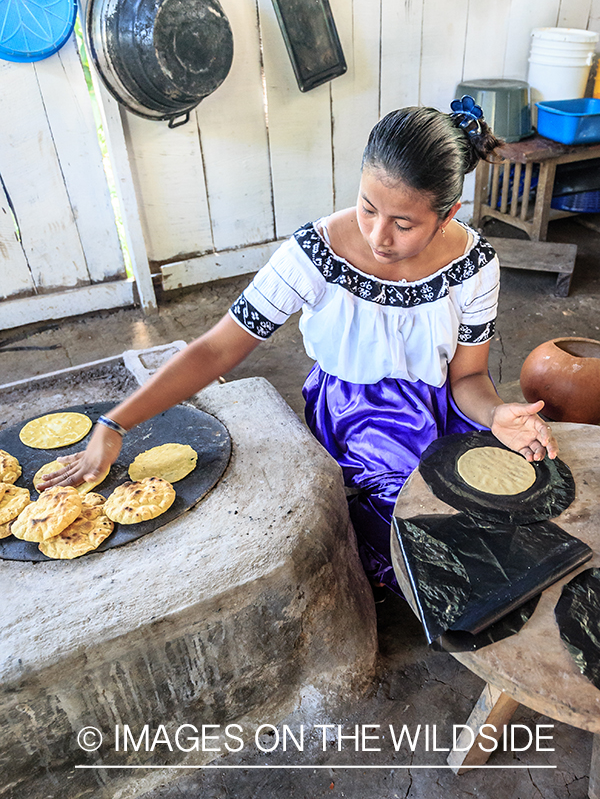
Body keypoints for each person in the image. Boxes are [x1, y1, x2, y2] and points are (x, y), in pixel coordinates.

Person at [43, 98, 557, 593]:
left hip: (444, 404)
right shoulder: (315, 253)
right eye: (368, 207)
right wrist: (115, 424)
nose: (380, 236)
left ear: (448, 215)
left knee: (506, 502)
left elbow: (468, 379)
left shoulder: (474, 264)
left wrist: (496, 415)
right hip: (358, 411)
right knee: (421, 520)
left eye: (403, 224)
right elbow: (218, 348)